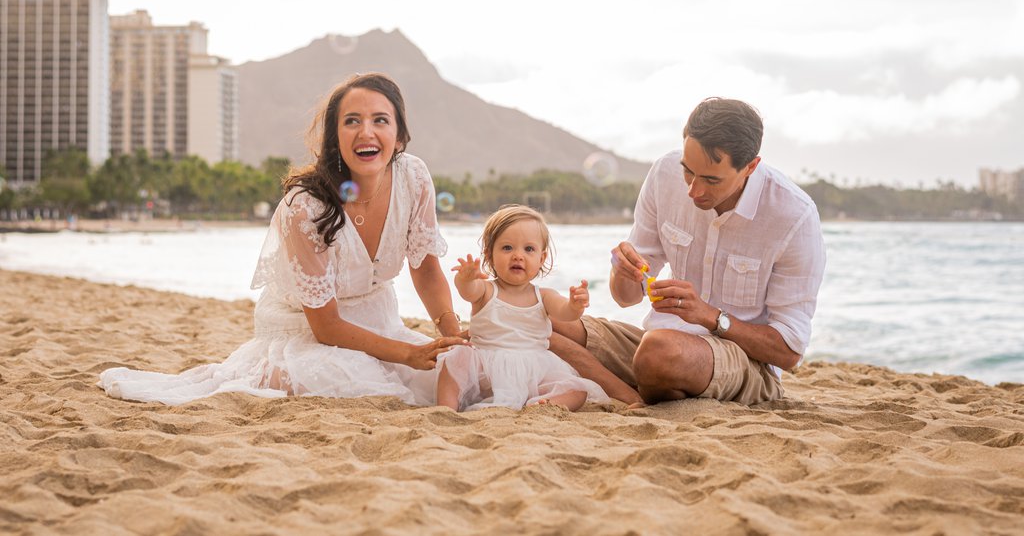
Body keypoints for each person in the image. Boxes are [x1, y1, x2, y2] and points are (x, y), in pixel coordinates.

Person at [100, 73, 468, 405]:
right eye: (351, 121)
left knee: (461, 377)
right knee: (360, 385)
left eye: (380, 121)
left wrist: (453, 338)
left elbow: (425, 269)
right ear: (334, 136)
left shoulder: (413, 178)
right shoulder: (305, 207)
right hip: (307, 334)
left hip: (381, 324)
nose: (366, 133)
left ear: (400, 135)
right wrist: (405, 354)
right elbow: (326, 327)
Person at [550, 97, 826, 406]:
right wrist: (622, 271)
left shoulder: (793, 215)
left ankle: (630, 386)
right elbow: (626, 298)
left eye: (711, 180)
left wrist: (710, 316)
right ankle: (629, 390)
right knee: (545, 320)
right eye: (688, 171)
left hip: (746, 364)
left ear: (750, 167)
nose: (693, 190)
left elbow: (789, 352)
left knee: (659, 353)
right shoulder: (664, 174)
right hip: (658, 345)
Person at [436, 205, 607, 411]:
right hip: (486, 366)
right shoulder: (487, 290)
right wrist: (464, 278)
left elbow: (565, 313)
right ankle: (445, 408)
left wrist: (575, 305)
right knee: (456, 358)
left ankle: (545, 405)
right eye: (507, 248)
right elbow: (468, 291)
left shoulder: (543, 295)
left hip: (533, 369)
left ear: (541, 258)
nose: (518, 256)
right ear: (489, 255)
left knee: (577, 390)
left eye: (529, 249)